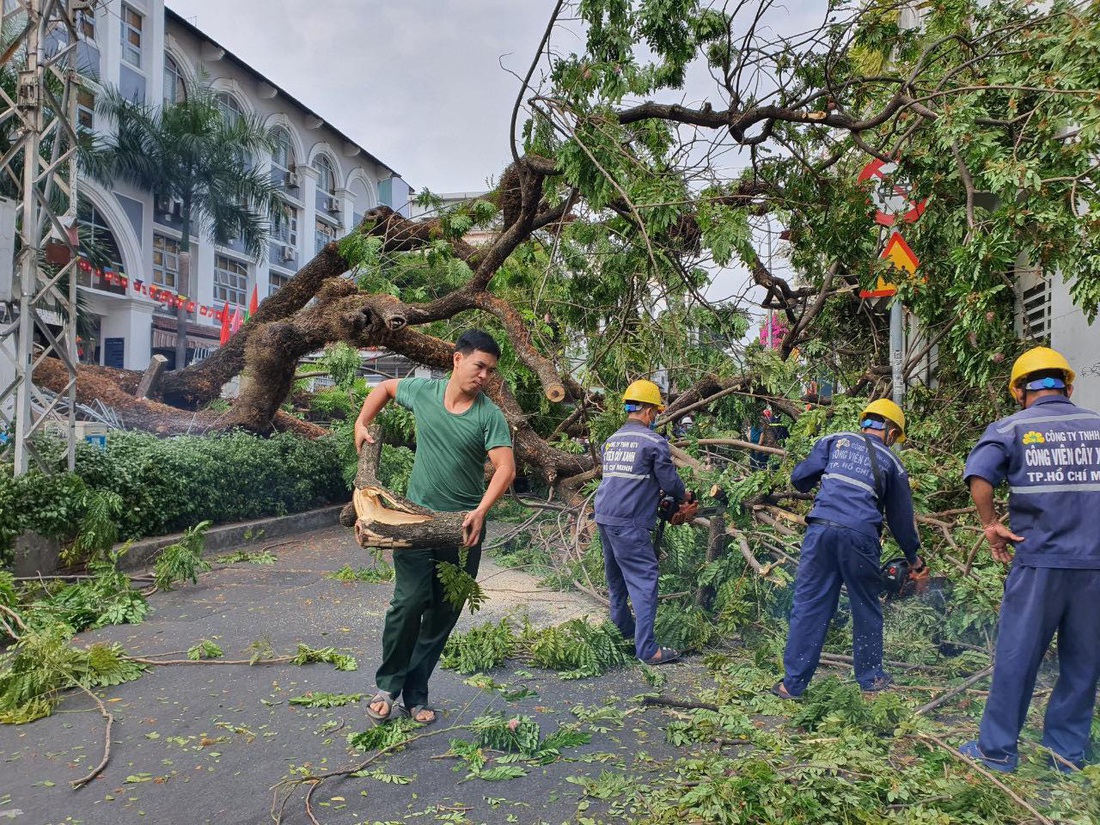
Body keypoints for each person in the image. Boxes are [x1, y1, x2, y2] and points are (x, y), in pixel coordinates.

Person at [353, 329, 516, 725]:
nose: (484, 376)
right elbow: (386, 388)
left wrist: (479, 511)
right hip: (414, 522)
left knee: (444, 612)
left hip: (462, 529)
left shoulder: (488, 415)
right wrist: (362, 422)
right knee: (408, 603)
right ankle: (387, 686)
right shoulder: (424, 392)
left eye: (491, 371)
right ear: (457, 359)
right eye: (480, 366)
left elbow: (505, 468)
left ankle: (416, 692)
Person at [959, 346, 1100, 773]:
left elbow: (980, 474)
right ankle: (1065, 756)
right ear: (1068, 386)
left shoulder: (1010, 427)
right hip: (1094, 567)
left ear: (1019, 391)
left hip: (1039, 563)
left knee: (1018, 656)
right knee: (1083, 662)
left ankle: (997, 750)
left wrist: (990, 525)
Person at [774, 398, 922, 699]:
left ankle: (792, 685)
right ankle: (870, 679)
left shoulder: (835, 440)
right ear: (891, 433)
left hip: (820, 531)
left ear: (866, 422)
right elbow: (901, 519)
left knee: (809, 605)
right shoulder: (893, 463)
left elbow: (799, 478)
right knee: (865, 605)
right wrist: (914, 558)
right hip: (859, 537)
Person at [594, 379, 693, 665]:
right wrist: (685, 496)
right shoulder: (654, 442)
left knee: (617, 581)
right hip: (629, 521)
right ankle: (648, 650)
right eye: (656, 412)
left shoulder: (611, 441)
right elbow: (671, 483)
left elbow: (625, 480)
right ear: (649, 411)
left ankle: (623, 631)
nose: (656, 417)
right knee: (645, 580)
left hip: (604, 516)